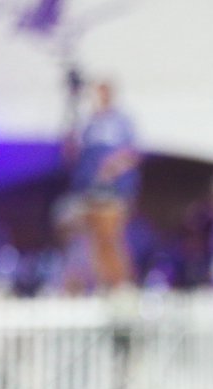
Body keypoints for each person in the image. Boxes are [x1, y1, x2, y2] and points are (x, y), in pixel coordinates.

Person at [64, 79, 141, 291]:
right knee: (94, 241)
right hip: (92, 193)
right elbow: (74, 155)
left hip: (113, 193)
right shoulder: (88, 123)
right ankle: (104, 284)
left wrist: (111, 169)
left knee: (110, 238)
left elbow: (132, 155)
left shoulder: (120, 122)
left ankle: (121, 285)